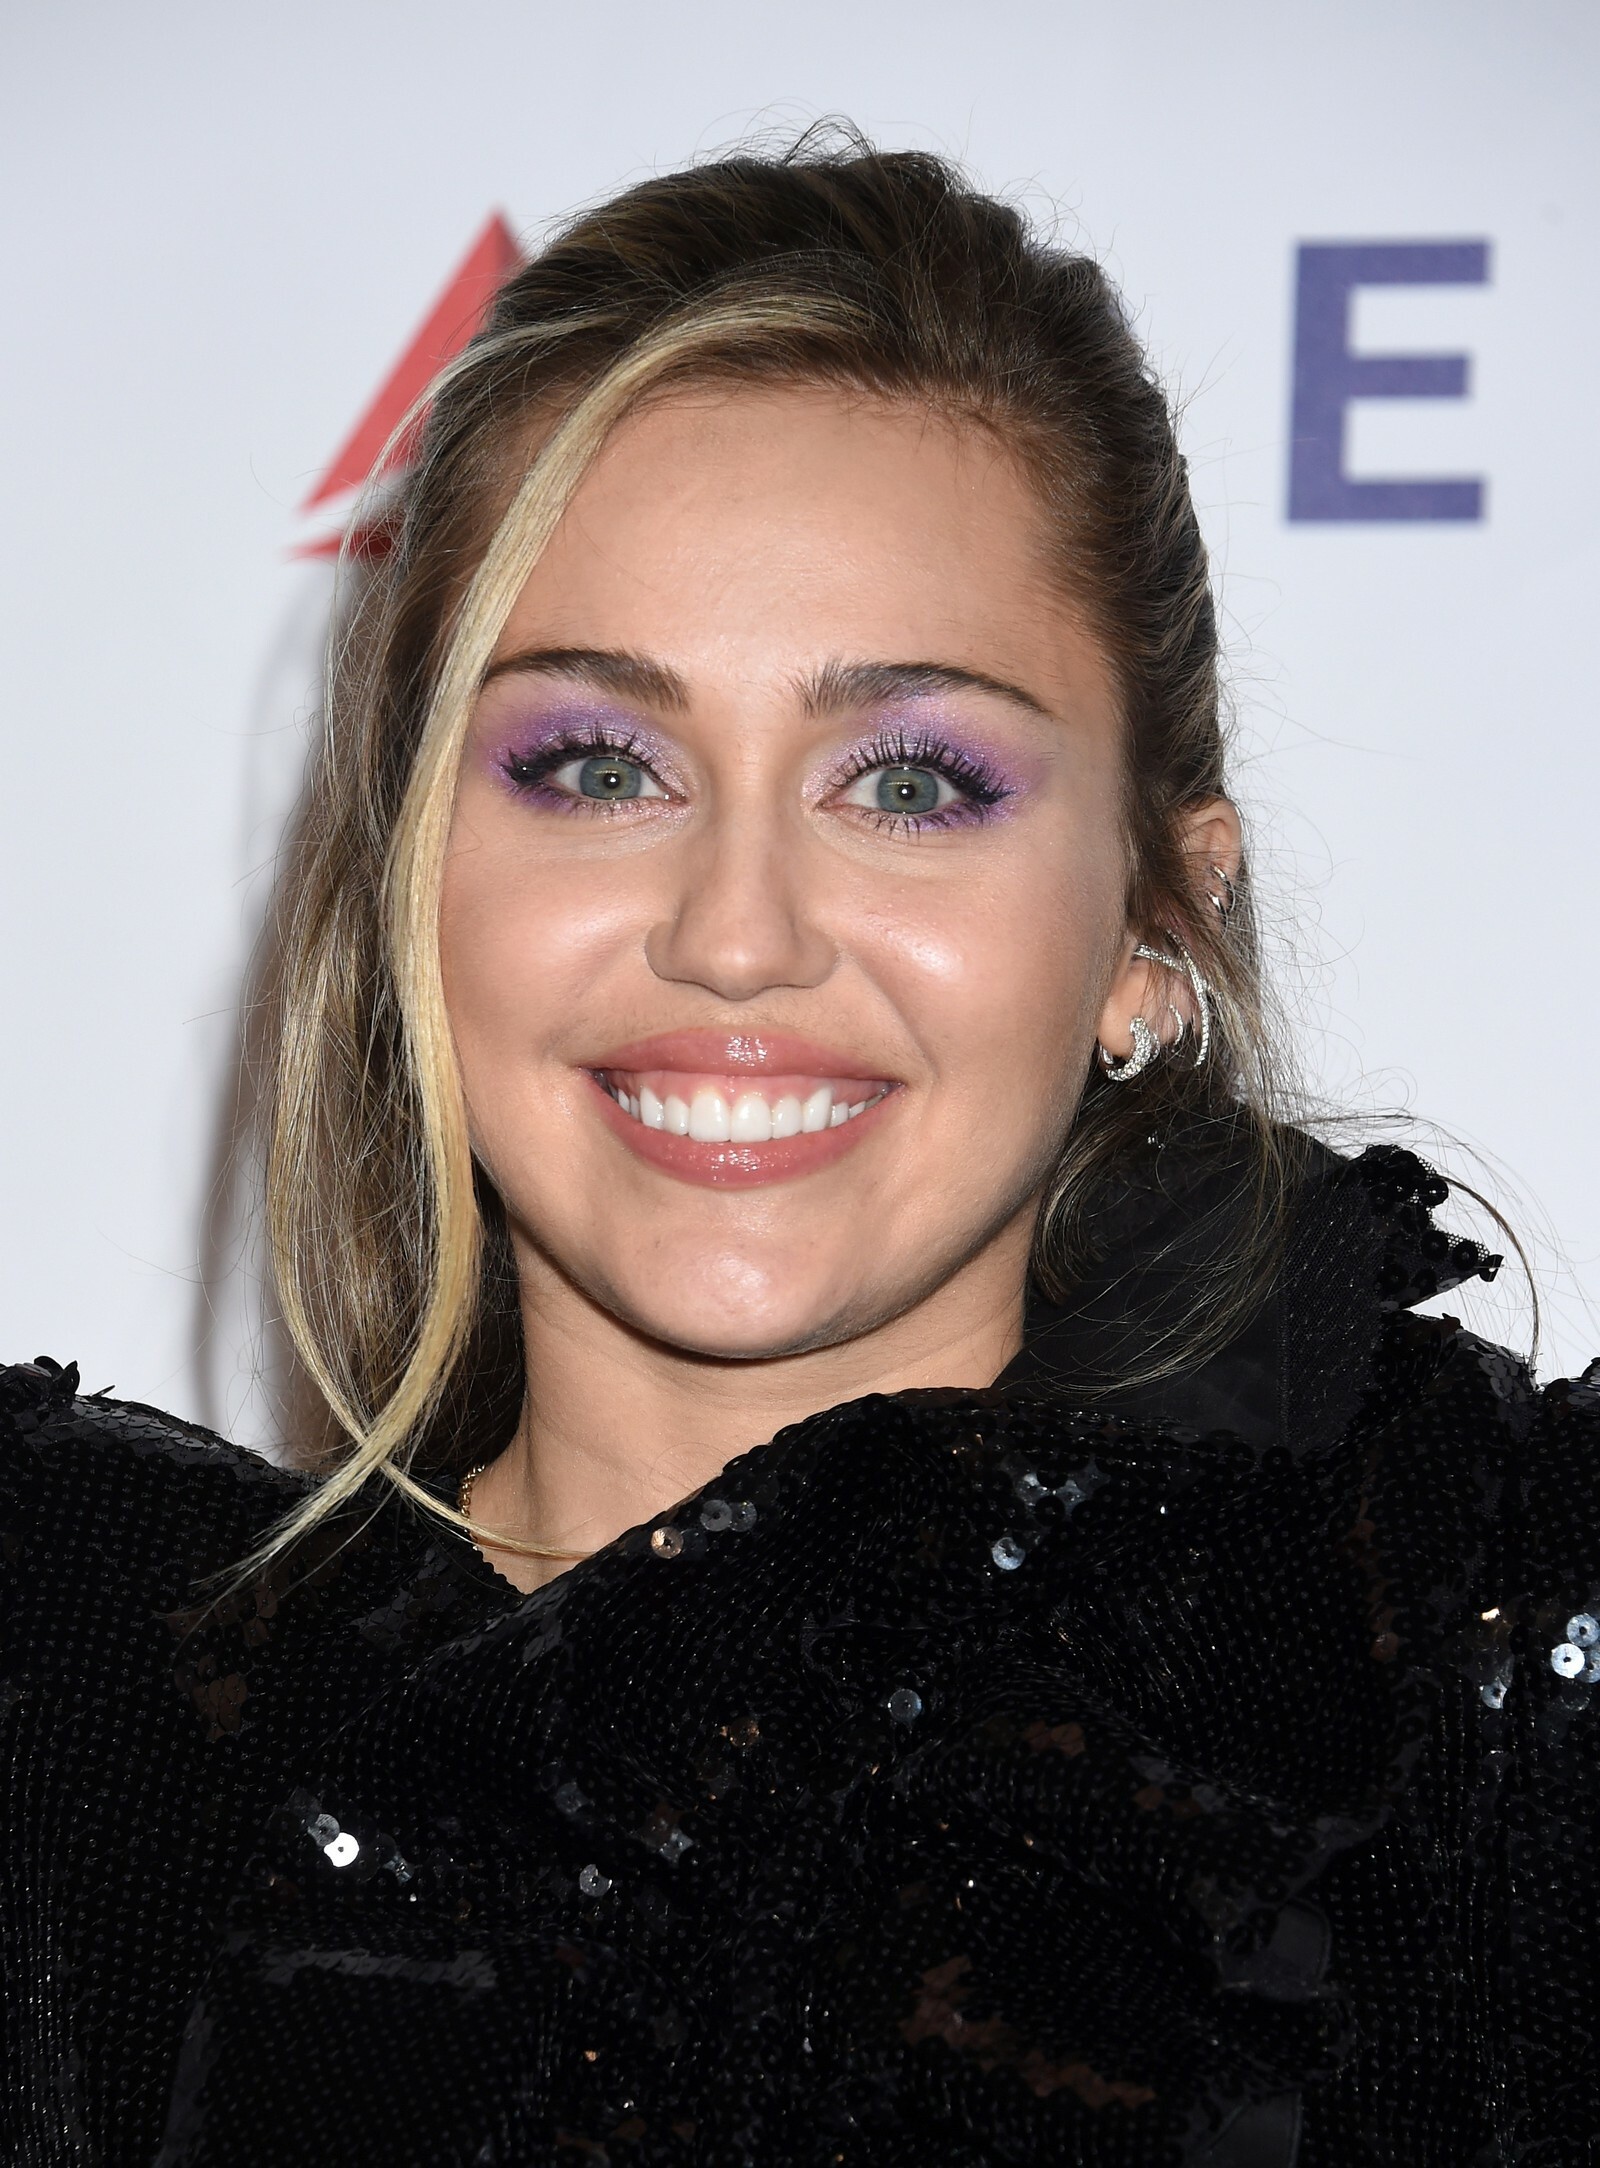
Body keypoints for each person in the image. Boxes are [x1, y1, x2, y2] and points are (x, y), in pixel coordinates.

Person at [2, 134, 1595, 2168]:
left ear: (1150, 925)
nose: (735, 932)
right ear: (410, 881)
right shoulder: (63, 1710)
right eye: (598, 764)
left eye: (910, 782)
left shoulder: (1456, 1710)